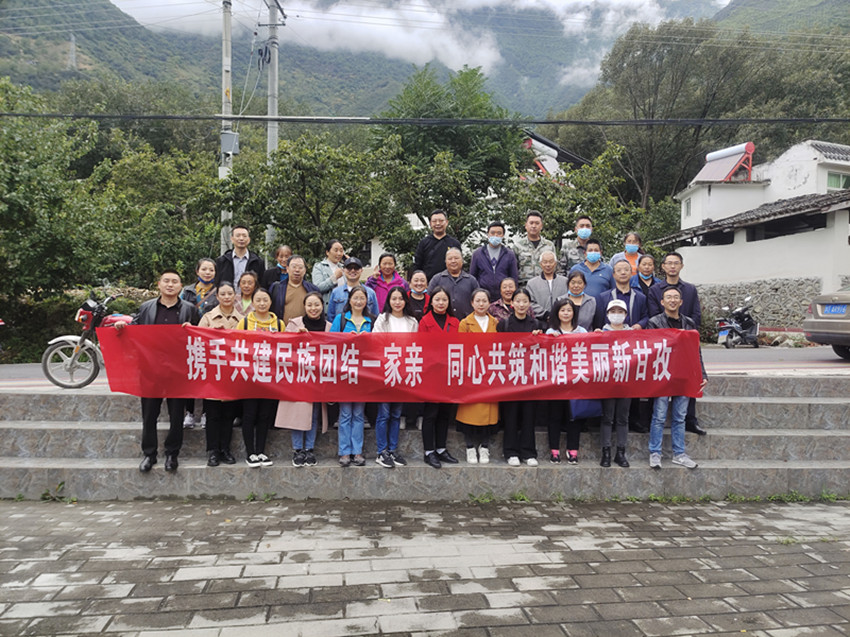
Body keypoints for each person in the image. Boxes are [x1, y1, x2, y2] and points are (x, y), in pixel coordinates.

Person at [115, 270, 200, 474]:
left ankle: (172, 453)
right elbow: (134, 329)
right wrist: (122, 327)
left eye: (174, 282)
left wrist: (192, 328)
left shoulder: (190, 309)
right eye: (166, 281)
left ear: (181, 286)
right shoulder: (146, 308)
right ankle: (149, 454)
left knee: (176, 415)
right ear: (159, 284)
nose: (170, 285)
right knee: (149, 414)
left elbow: (201, 335)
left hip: (178, 371)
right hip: (151, 370)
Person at [646, 287, 708, 470]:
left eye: (675, 297)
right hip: (663, 374)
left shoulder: (689, 323)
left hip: (684, 374)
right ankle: (655, 453)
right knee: (659, 416)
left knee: (680, 417)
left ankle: (679, 454)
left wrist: (702, 374)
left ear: (681, 302)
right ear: (662, 302)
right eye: (668, 297)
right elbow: (651, 349)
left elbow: (696, 350)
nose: (672, 300)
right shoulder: (654, 322)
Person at [647, 251, 706, 436]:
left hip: (685, 345)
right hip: (664, 347)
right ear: (663, 266)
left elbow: (696, 315)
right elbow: (654, 316)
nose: (672, 266)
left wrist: (685, 335)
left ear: (681, 266)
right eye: (669, 263)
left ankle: (691, 420)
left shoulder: (690, 289)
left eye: (676, 263)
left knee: (689, 382)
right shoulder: (655, 290)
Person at [274, 292, 329, 468]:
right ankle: (298, 449)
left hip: (318, 378)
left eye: (317, 304)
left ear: (322, 305)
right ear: (304, 307)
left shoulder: (329, 327)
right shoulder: (294, 324)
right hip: (298, 378)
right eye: (309, 305)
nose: (313, 308)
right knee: (298, 414)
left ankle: (309, 449)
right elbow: (283, 349)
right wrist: (296, 338)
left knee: (313, 414)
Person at [372, 287, 419, 468]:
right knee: (383, 414)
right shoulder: (382, 319)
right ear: (389, 301)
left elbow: (415, 345)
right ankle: (381, 452)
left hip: (403, 373)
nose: (397, 302)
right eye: (394, 299)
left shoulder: (412, 321)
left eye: (400, 298)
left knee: (396, 414)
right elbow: (376, 343)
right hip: (386, 371)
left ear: (405, 301)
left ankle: (392, 450)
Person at [197, 281, 243, 467]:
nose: (226, 297)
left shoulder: (242, 320)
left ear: (235, 296)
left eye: (229, 293)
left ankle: (225, 449)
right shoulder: (208, 318)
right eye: (222, 294)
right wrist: (211, 334)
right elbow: (198, 340)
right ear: (217, 297)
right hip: (213, 374)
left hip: (232, 374)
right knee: (213, 414)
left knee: (228, 415)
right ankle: (213, 450)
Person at [497, 288, 543, 467]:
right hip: (510, 377)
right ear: (512, 303)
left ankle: (528, 452)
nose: (521, 305)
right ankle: (510, 452)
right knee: (511, 416)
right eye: (518, 301)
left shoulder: (536, 325)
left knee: (529, 416)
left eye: (525, 301)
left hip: (530, 378)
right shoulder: (504, 325)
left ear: (529, 304)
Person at [236, 288, 282, 467]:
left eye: (265, 300)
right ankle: (250, 453)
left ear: (270, 302)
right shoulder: (245, 322)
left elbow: (287, 348)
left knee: (264, 415)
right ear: (252, 303)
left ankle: (261, 451)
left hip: (270, 377)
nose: (262, 303)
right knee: (249, 414)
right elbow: (235, 345)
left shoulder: (279, 323)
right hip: (250, 376)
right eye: (258, 300)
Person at [330, 286, 374, 467]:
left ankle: (357, 451)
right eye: (355, 298)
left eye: (362, 298)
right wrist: (347, 339)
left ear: (367, 301)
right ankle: (344, 452)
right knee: (346, 413)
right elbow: (330, 342)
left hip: (364, 374)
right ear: (349, 300)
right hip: (345, 373)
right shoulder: (340, 319)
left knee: (358, 414)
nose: (358, 301)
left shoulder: (372, 320)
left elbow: (379, 345)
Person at [418, 287, 460, 469]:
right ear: (431, 302)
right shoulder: (424, 321)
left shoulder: (455, 322)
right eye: (437, 299)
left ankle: (441, 449)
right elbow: (421, 346)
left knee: (444, 413)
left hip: (449, 374)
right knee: (431, 413)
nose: (441, 303)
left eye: (444, 299)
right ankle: (429, 451)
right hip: (431, 374)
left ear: (449, 302)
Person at [456, 289, 499, 465]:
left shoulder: (495, 322)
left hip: (490, 372)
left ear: (489, 303)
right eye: (478, 301)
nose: (481, 304)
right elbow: (460, 348)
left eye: (484, 301)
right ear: (472, 303)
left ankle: (484, 446)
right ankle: (469, 447)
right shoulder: (465, 323)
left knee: (488, 413)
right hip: (471, 372)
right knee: (469, 411)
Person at [545, 298, 586, 463]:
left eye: (569, 310)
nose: (566, 313)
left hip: (576, 382)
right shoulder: (551, 332)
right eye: (562, 310)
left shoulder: (582, 331)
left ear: (574, 313)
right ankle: (554, 450)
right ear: (557, 313)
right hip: (556, 382)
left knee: (574, 416)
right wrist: (549, 339)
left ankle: (573, 450)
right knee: (554, 416)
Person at [180, 258, 219, 429]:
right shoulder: (187, 291)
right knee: (190, 375)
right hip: (189, 339)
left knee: (207, 375)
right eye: (204, 269)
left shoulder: (219, 292)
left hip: (210, 340)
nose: (207, 273)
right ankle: (189, 413)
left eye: (211, 270)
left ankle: (205, 413)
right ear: (197, 271)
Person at [598, 299, 632, 469]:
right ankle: (606, 452)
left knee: (622, 418)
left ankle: (620, 452)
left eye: (620, 312)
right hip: (607, 382)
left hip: (626, 382)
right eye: (613, 311)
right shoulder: (600, 332)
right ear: (607, 314)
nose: (616, 315)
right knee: (607, 418)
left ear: (626, 315)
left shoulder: (633, 335)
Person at [469, 221, 519, 299]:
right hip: (483, 297)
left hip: (503, 297)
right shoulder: (478, 253)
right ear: (488, 235)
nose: (495, 235)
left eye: (499, 233)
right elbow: (472, 277)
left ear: (503, 235)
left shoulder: (509, 254)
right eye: (492, 233)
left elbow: (514, 277)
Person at [593, 259, 648, 330]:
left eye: (626, 270)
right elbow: (598, 321)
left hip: (633, 335)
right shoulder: (603, 297)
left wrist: (640, 324)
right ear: (613, 275)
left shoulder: (640, 297)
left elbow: (645, 316)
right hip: (610, 335)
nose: (623, 273)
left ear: (631, 273)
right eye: (619, 270)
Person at [413, 209, 463, 280]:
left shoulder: (454, 243)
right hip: (429, 283)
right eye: (434, 221)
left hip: (450, 282)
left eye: (441, 221)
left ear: (446, 222)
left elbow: (459, 265)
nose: (438, 223)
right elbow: (417, 265)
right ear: (430, 223)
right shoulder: (423, 243)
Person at [428, 248, 477, 319]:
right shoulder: (437, 279)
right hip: (442, 321)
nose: (453, 261)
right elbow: (428, 299)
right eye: (450, 259)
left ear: (462, 261)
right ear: (445, 261)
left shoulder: (471, 280)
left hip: (466, 321)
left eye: (456, 258)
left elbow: (478, 301)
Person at [327, 257, 379, 324]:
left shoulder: (370, 293)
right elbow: (331, 318)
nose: (352, 270)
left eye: (356, 268)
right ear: (343, 270)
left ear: (361, 270)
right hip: (341, 330)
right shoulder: (336, 292)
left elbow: (375, 317)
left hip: (365, 329)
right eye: (349, 268)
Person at [512, 209, 558, 285]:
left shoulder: (549, 245)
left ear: (541, 226)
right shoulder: (518, 246)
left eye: (537, 223)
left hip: (544, 285)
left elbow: (555, 268)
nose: (534, 226)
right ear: (526, 225)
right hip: (524, 286)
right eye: (531, 223)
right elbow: (513, 270)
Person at [269, 255, 320, 323]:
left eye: (300, 267)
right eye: (294, 267)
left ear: (305, 270)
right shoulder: (277, 288)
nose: (297, 270)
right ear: (287, 269)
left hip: (306, 328)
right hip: (282, 328)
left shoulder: (313, 290)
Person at [214, 225, 264, 289]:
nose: (241, 238)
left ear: (249, 239)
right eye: (238, 236)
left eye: (244, 236)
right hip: (227, 294)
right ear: (232, 239)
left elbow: (261, 284)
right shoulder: (222, 261)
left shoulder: (257, 261)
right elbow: (217, 282)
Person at [527, 250, 569, 323]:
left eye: (551, 262)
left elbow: (569, 299)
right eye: (545, 262)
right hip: (540, 321)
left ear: (555, 263)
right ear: (540, 264)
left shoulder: (565, 281)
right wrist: (545, 314)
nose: (548, 265)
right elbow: (529, 303)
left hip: (562, 321)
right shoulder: (532, 283)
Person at [312, 239, 346, 307]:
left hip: (344, 307)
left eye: (341, 251)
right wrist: (334, 278)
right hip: (328, 307)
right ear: (327, 252)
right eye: (336, 250)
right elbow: (317, 288)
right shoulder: (319, 267)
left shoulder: (344, 267)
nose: (339, 254)